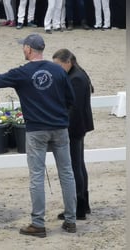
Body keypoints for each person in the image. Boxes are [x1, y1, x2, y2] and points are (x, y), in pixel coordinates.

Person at [0, 33, 77, 237]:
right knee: (67, 174)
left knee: (36, 177)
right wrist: (60, 116)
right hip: (60, 128)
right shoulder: (58, 70)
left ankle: (38, 223)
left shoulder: (22, 73)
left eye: (23, 47)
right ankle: (71, 220)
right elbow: (70, 99)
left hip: (36, 130)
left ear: (28, 49)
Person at [52, 48, 94, 221]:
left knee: (74, 166)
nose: (57, 70)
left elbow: (73, 108)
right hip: (80, 126)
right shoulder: (78, 73)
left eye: (58, 65)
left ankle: (79, 207)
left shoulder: (76, 78)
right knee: (79, 164)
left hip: (74, 127)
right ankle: (84, 203)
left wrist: (62, 125)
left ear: (68, 62)